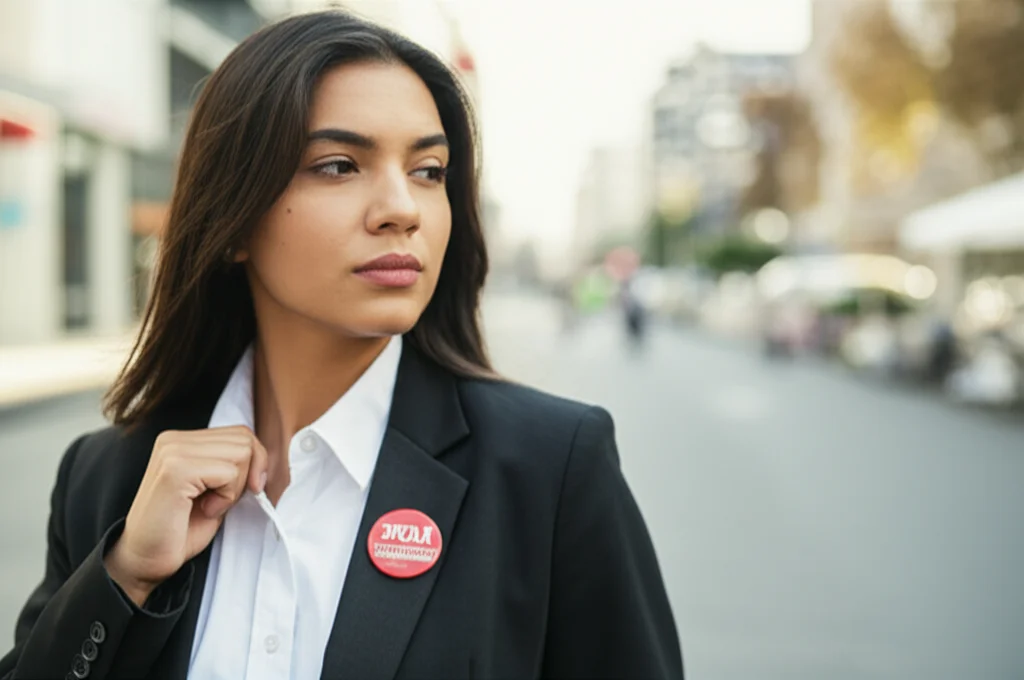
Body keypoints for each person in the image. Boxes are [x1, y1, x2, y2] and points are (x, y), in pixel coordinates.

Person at [1, 11, 683, 680]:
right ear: (233, 219)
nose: (402, 209)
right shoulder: (108, 479)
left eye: (428, 171)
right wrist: (123, 579)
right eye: (337, 165)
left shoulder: (549, 468)